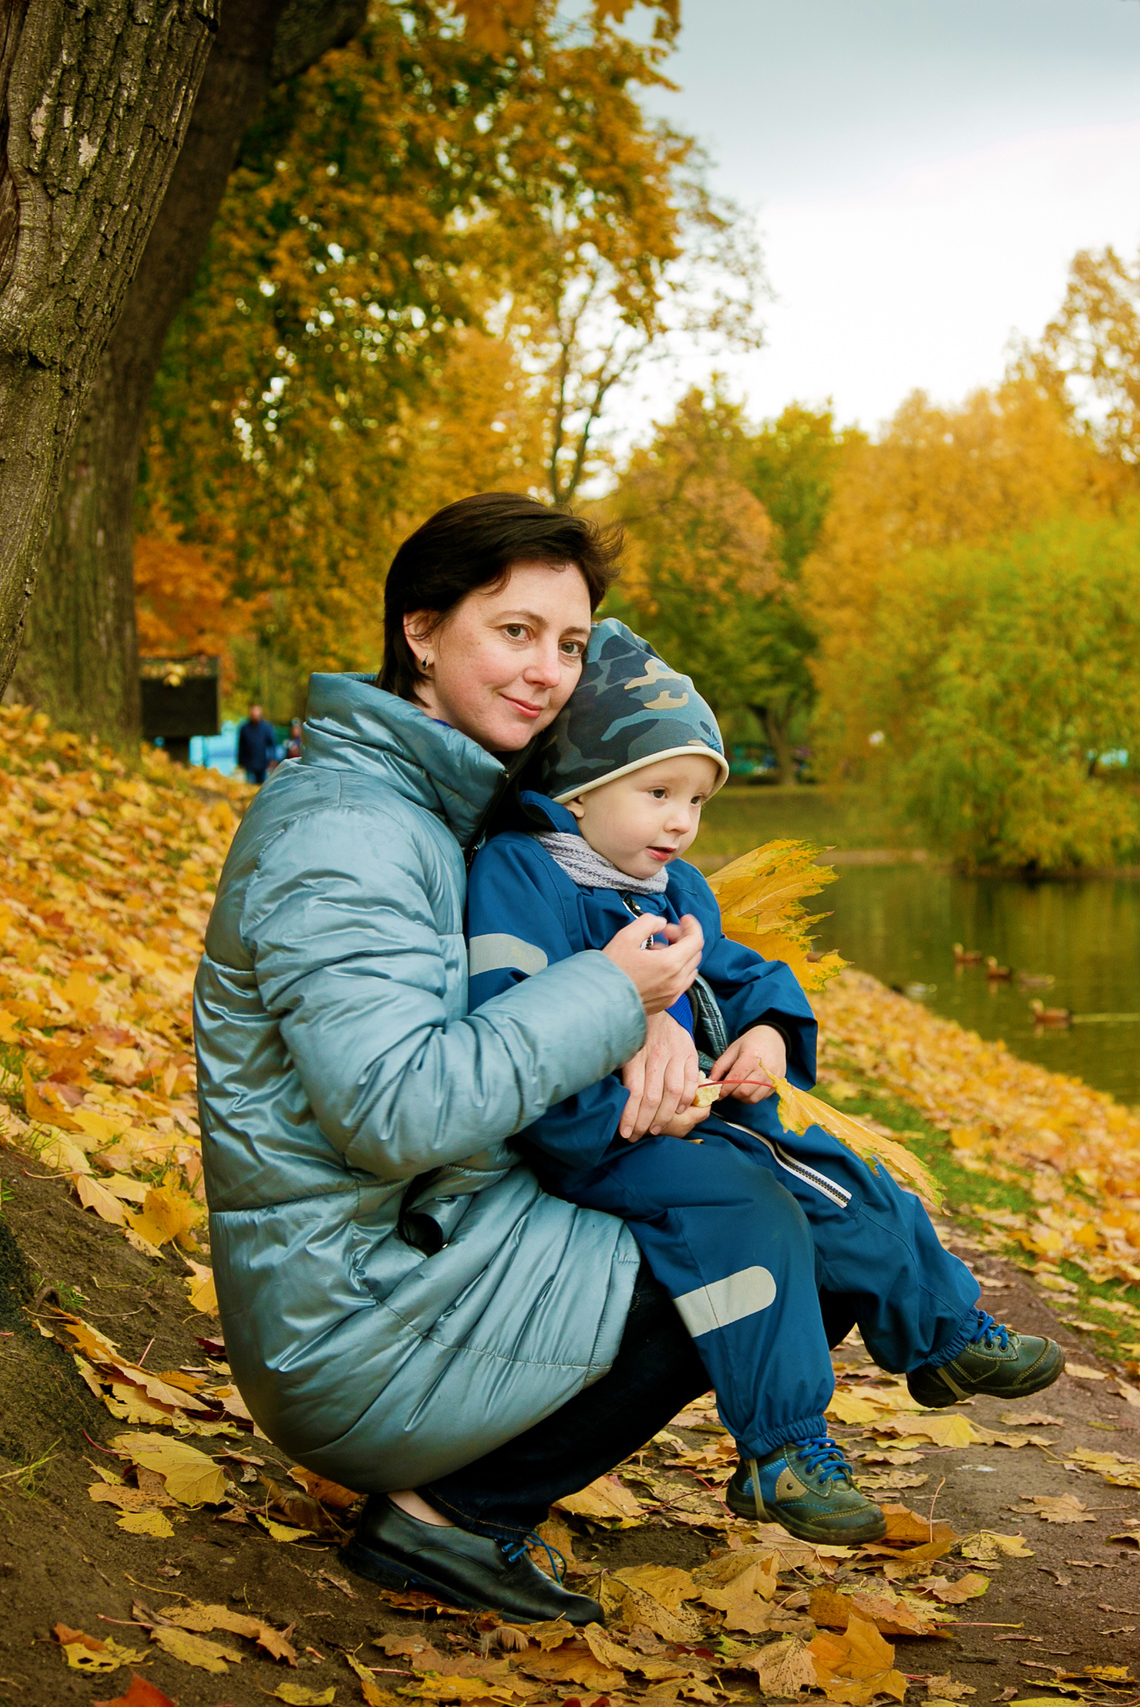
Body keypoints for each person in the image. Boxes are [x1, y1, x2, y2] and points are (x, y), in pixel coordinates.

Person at [195, 493, 794, 1627]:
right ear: (420, 630)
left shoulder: (446, 799)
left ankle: (479, 1501)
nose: (548, 671)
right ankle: (454, 1522)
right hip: (358, 1316)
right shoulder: (347, 833)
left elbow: (550, 993)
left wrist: (660, 1017)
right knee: (765, 1226)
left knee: (792, 1203)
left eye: (568, 644)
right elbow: (395, 1110)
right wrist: (618, 994)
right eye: (512, 631)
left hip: (434, 1237)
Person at [463, 620, 1063, 1545]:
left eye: (696, 801)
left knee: (843, 1176)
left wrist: (773, 1035)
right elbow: (511, 1009)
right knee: (765, 1204)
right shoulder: (525, 874)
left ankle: (932, 1338)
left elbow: (744, 975)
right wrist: (622, 1059)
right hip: (597, 1128)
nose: (679, 822)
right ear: (578, 791)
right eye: (658, 792)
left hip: (695, 1116)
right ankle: (789, 1441)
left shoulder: (672, 887)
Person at [234, 702, 282, 784]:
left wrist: (273, 759)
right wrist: (240, 762)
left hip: (263, 764)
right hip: (249, 764)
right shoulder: (244, 728)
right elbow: (240, 747)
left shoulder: (266, 727)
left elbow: (272, 745)